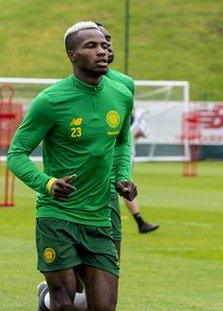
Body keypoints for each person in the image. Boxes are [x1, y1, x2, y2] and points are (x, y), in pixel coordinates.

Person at [8, 21, 136, 311]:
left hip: (100, 217)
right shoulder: (50, 101)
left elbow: (122, 141)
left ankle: (45, 298)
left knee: (101, 306)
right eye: (90, 46)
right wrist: (48, 184)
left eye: (104, 44)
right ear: (72, 55)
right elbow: (16, 154)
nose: (101, 50)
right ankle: (49, 297)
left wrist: (122, 176)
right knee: (65, 303)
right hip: (58, 215)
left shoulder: (122, 95)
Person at [97, 23, 159, 235]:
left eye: (108, 40)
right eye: (97, 42)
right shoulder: (60, 96)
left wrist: (123, 173)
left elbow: (123, 136)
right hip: (89, 180)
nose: (106, 46)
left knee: (110, 253)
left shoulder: (125, 84)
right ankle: (140, 221)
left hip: (115, 168)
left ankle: (140, 221)